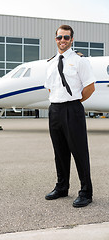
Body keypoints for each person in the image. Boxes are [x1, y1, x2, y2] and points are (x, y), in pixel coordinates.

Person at [44, 25, 95, 208]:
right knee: (60, 152)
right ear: (55, 39)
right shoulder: (50, 63)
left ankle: (86, 192)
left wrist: (74, 101)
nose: (62, 41)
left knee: (79, 152)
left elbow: (90, 87)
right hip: (55, 109)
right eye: (59, 37)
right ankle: (62, 187)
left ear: (72, 39)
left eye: (66, 37)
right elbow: (50, 87)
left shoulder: (80, 61)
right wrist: (59, 101)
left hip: (72, 109)